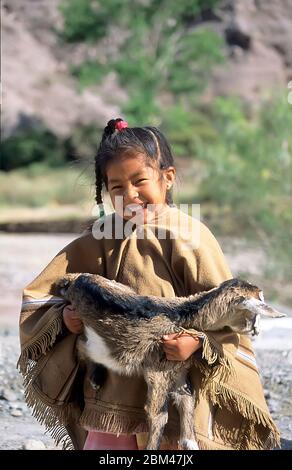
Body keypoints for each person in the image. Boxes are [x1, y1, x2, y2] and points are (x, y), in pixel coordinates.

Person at [18, 118, 280, 450]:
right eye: (116, 187)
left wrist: (197, 343)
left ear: (167, 178)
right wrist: (65, 320)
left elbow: (225, 309)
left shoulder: (190, 236)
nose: (129, 195)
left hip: (174, 379)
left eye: (140, 180)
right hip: (111, 389)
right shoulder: (100, 237)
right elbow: (46, 291)